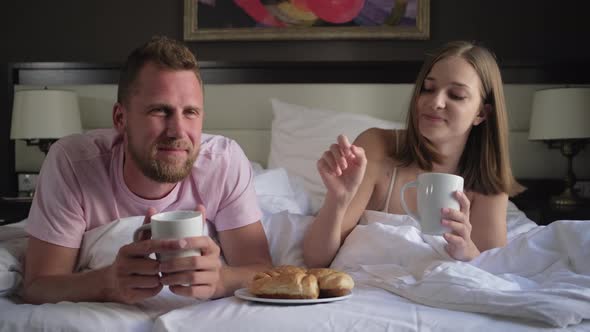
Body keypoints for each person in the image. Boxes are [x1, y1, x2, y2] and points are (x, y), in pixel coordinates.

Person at [22, 36, 272, 304]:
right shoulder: (72, 163)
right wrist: (107, 283)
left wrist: (220, 280)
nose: (178, 131)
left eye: (190, 112)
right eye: (160, 111)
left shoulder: (223, 162)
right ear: (121, 118)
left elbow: (263, 272)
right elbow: (38, 286)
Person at [304, 41, 522, 268]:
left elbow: (494, 275)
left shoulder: (488, 180)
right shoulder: (377, 146)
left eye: (456, 95)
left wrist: (468, 252)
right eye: (428, 88)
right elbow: (315, 259)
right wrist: (336, 200)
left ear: (482, 113)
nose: (435, 102)